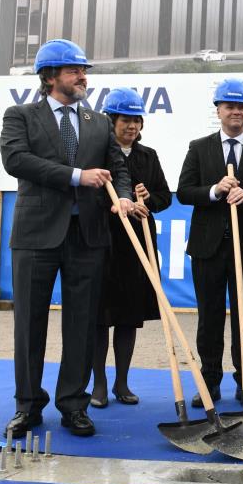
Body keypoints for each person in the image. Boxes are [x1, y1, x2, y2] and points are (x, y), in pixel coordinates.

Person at [0, 38, 134, 439]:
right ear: (50, 76)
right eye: (75, 70)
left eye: (84, 71)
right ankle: (27, 406)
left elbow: (118, 169)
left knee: (82, 324)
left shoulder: (98, 123)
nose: (83, 77)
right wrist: (77, 176)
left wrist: (123, 197)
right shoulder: (20, 115)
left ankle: (74, 405)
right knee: (29, 324)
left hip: (87, 236)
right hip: (36, 235)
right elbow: (16, 160)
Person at [177, 78, 243, 409]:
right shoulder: (198, 147)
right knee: (209, 316)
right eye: (230, 106)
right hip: (207, 248)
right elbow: (184, 191)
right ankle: (209, 381)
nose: (236, 112)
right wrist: (214, 191)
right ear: (218, 110)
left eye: (242, 107)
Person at [90, 88, 171, 408]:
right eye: (126, 120)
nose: (132, 126)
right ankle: (98, 384)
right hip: (103, 243)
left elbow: (164, 197)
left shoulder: (148, 156)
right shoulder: (96, 155)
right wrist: (117, 203)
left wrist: (148, 199)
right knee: (99, 317)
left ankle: (121, 383)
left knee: (128, 316)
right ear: (111, 121)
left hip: (137, 246)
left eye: (137, 120)